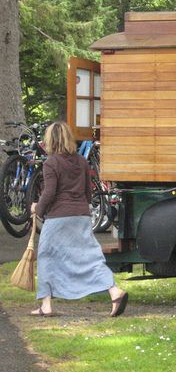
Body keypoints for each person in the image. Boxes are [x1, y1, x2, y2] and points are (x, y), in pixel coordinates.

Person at [29, 121, 128, 317]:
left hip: (59, 217)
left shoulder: (51, 163)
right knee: (89, 256)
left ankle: (46, 305)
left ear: (51, 140)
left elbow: (49, 193)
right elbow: (87, 194)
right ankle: (114, 292)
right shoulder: (82, 162)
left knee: (47, 256)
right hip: (81, 215)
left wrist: (37, 209)